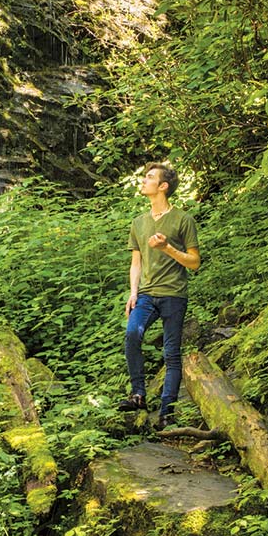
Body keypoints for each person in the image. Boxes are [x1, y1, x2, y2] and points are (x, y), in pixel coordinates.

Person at [119, 160, 200, 429]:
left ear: (163, 186)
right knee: (132, 334)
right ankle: (138, 394)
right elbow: (136, 262)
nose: (143, 180)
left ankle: (167, 411)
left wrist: (167, 249)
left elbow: (194, 262)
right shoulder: (139, 223)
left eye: (149, 177)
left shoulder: (183, 220)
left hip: (174, 295)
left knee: (171, 353)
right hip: (145, 294)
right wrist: (133, 293)